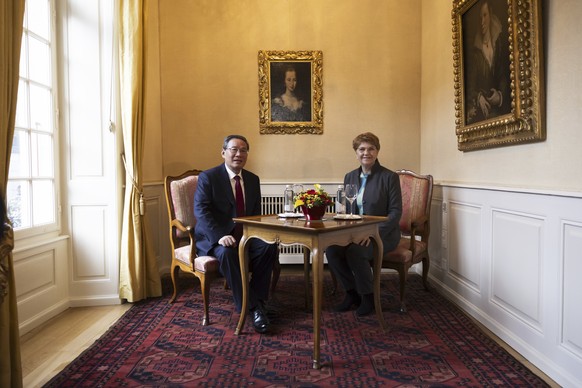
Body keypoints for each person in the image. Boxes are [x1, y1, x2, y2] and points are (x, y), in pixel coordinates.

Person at [194, 135, 278, 334]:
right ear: (223, 152)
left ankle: (256, 298)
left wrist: (261, 233)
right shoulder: (209, 177)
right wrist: (220, 235)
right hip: (216, 237)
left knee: (269, 245)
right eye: (234, 149)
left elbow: (255, 214)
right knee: (227, 253)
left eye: (243, 150)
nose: (238, 154)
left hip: (245, 236)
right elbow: (201, 211)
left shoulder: (252, 179)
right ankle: (254, 308)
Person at [326, 132, 402, 316]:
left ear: (377, 151)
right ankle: (352, 294)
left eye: (371, 149)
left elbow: (395, 212)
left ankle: (369, 298)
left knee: (355, 251)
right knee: (332, 250)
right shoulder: (349, 177)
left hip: (383, 234)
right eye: (361, 149)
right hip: (354, 232)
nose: (366, 152)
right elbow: (346, 208)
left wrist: (371, 233)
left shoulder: (389, 177)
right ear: (356, 152)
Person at [465, 0, 510, 124]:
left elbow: (505, 75)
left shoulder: (499, 43)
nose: (482, 22)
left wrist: (500, 95)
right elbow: (470, 85)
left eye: (485, 15)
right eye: (480, 17)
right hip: (483, 113)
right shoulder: (475, 51)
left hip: (501, 113)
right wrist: (479, 97)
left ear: (491, 15)